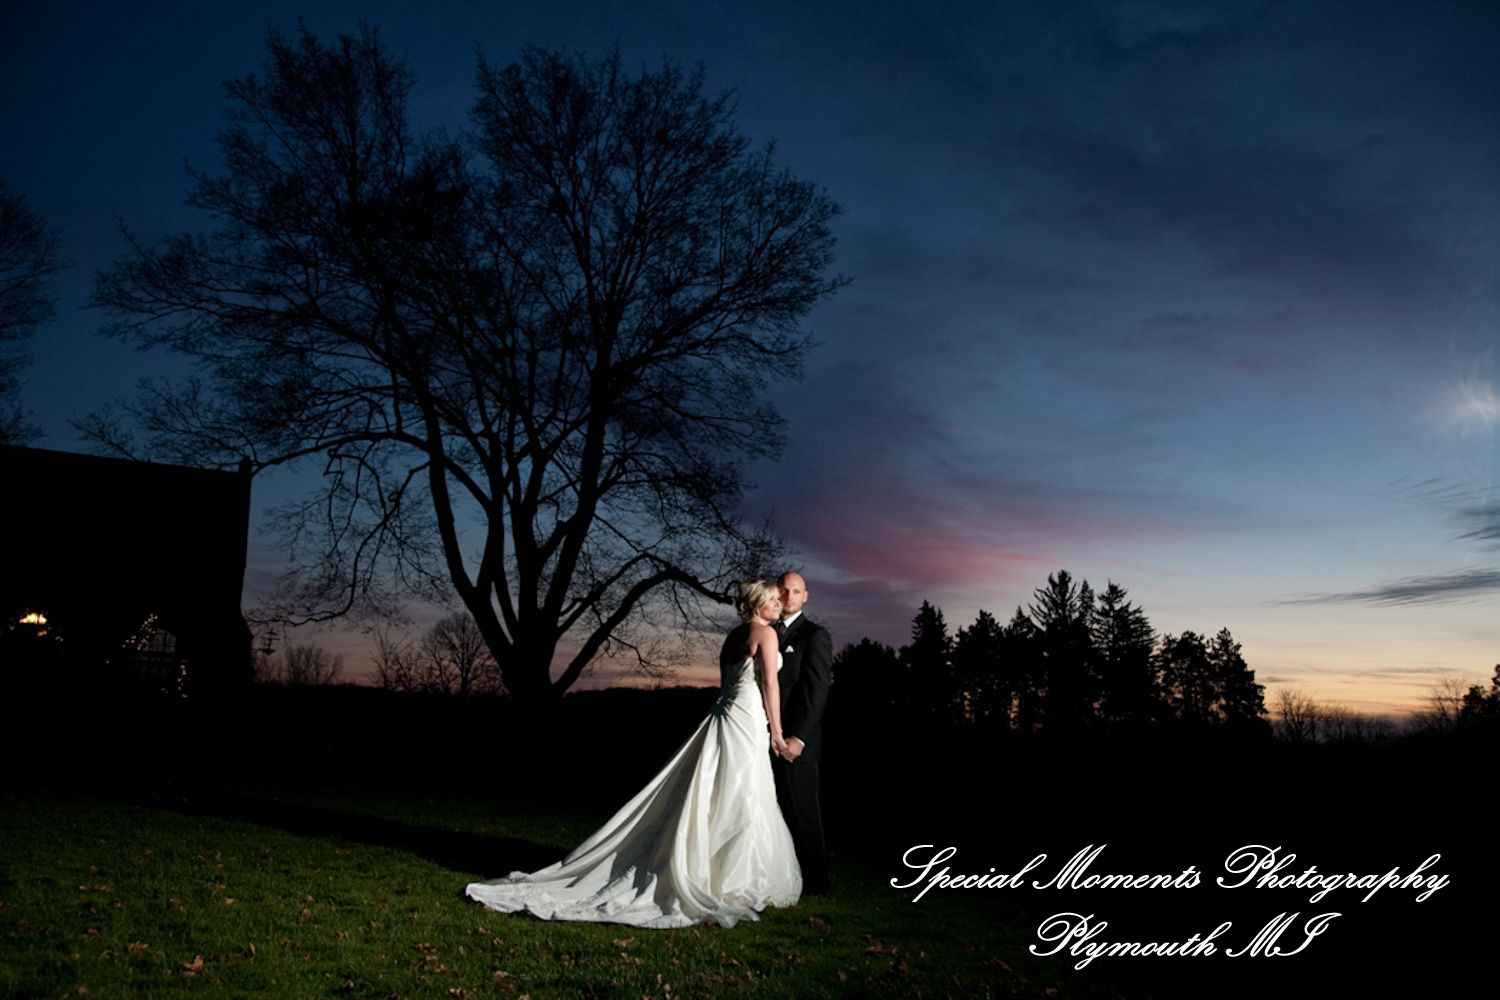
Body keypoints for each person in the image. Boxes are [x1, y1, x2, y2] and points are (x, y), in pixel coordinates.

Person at [465, 579, 801, 928]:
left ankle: (714, 868)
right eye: (774, 599)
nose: (780, 604)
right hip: (746, 717)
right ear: (759, 602)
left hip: (723, 714)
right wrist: (776, 732)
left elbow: (726, 683)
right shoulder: (766, 634)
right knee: (740, 792)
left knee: (719, 790)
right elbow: (769, 684)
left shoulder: (734, 635)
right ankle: (731, 878)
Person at [771, 571, 832, 896]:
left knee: (804, 815)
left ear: (805, 596)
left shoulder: (814, 635)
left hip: (798, 744)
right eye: (783, 591)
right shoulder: (767, 633)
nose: (789, 597)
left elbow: (817, 691)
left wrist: (799, 738)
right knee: (775, 813)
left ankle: (816, 886)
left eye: (796, 591)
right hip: (765, 738)